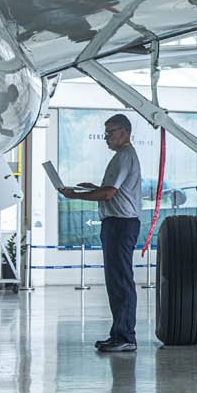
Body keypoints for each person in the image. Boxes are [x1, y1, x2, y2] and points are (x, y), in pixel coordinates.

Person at [61, 114, 142, 353]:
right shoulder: (122, 157)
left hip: (121, 224)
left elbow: (109, 195)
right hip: (117, 223)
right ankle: (119, 333)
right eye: (105, 133)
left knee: (120, 281)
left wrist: (77, 195)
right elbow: (109, 191)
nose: (106, 138)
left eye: (110, 132)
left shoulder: (124, 157)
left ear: (124, 133)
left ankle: (125, 335)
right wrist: (92, 189)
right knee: (116, 281)